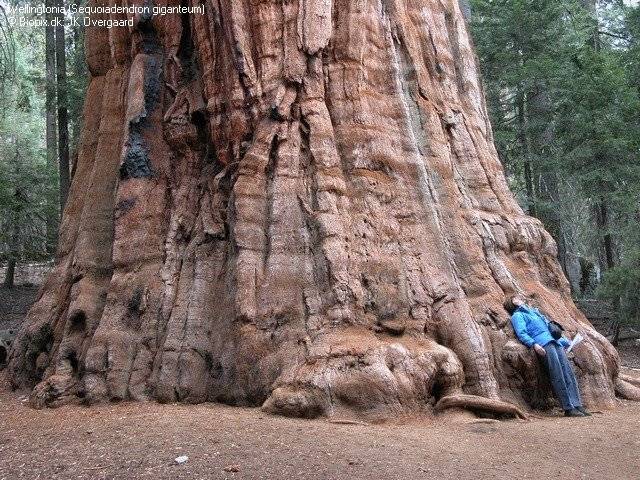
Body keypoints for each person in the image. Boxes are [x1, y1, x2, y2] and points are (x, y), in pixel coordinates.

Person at [503, 294, 591, 418]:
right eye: (516, 298)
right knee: (557, 374)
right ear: (512, 303)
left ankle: (577, 404)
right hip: (543, 344)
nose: (520, 298)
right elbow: (521, 333)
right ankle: (568, 407)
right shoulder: (518, 316)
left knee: (568, 372)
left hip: (555, 343)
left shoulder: (534, 312)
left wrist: (566, 342)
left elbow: (549, 329)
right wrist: (534, 345)